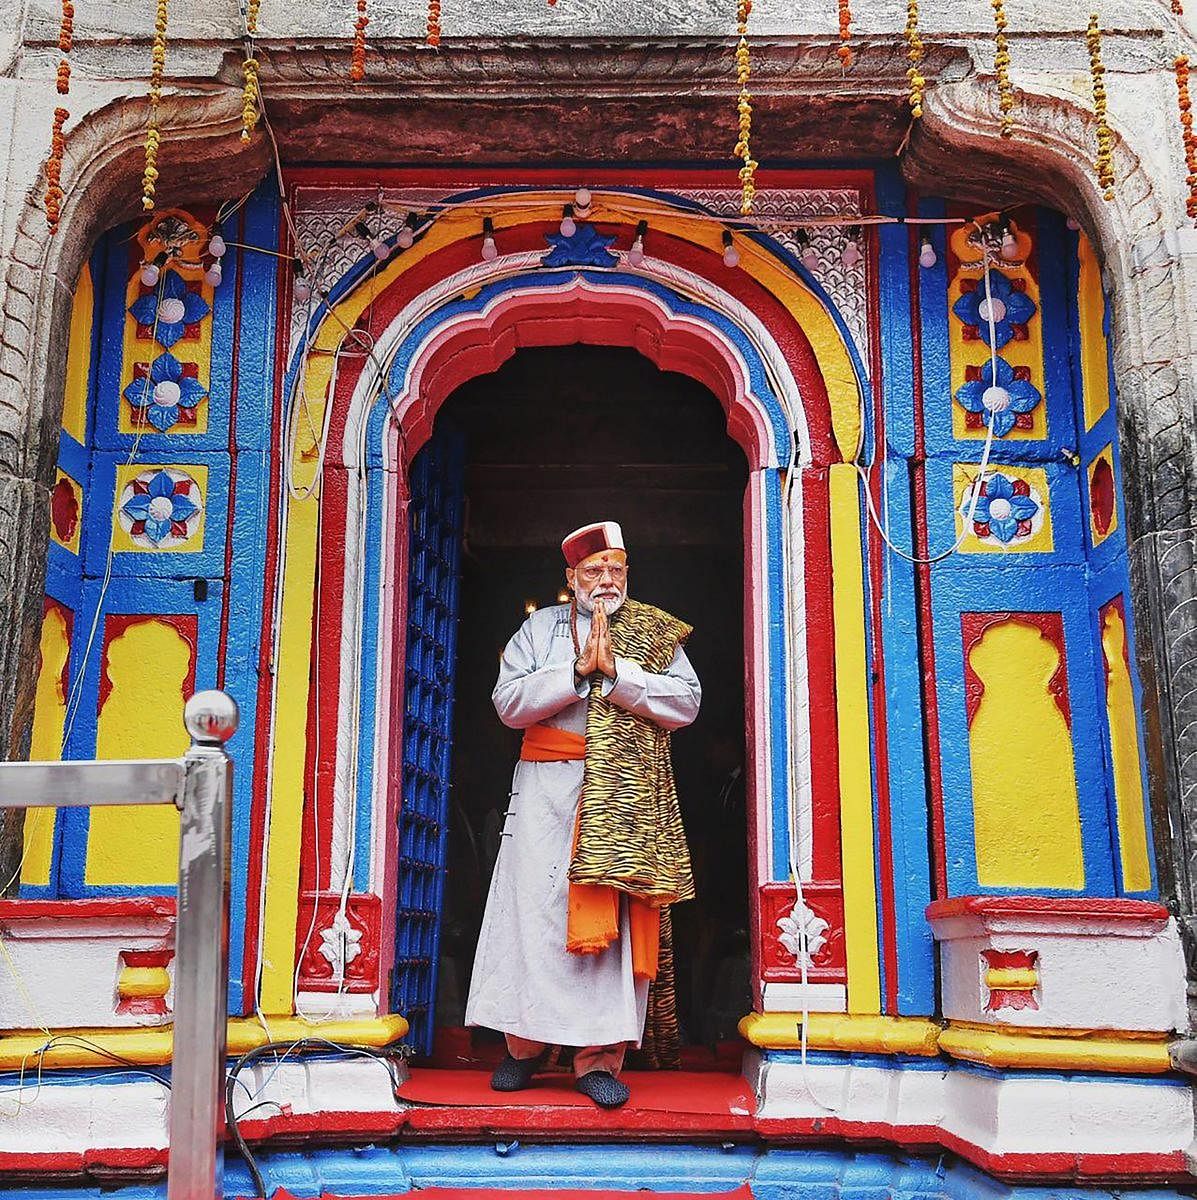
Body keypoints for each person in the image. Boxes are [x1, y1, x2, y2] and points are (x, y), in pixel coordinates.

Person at [464, 521, 701, 1108]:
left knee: (608, 931)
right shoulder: (539, 630)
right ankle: (522, 1050)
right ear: (570, 578)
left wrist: (617, 674)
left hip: (624, 800)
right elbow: (507, 704)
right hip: (546, 797)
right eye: (594, 571)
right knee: (533, 921)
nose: (606, 580)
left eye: (616, 570)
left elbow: (687, 703)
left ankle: (597, 1059)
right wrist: (575, 674)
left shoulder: (654, 629)